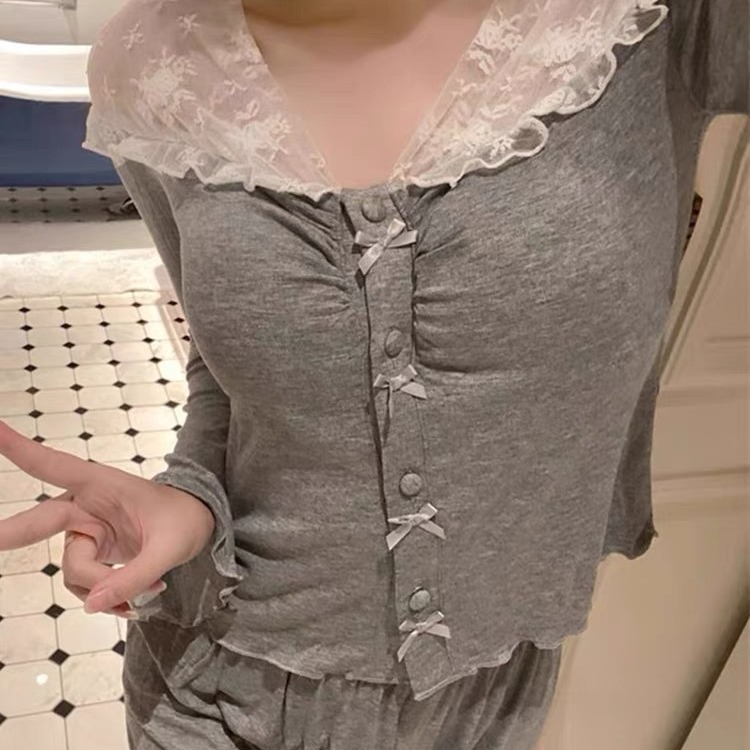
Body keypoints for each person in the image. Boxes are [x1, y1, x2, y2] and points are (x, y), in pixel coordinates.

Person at [0, 0, 746, 748]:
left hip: (487, 707)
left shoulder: (645, 21)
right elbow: (225, 366)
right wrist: (191, 492)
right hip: (212, 693)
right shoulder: (157, 65)